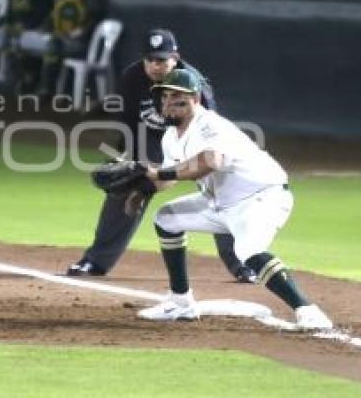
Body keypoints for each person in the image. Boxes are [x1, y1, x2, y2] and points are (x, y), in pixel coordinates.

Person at [134, 69, 333, 330]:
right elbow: (169, 177)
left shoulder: (209, 124)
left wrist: (158, 171)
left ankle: (307, 310)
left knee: (247, 251)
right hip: (219, 204)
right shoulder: (171, 137)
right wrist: (141, 186)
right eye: (165, 97)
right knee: (167, 218)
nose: (168, 102)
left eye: (177, 96)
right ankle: (180, 303)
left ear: (194, 98)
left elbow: (209, 162)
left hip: (261, 197)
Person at [67, 29, 252, 283]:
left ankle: (242, 263)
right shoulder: (132, 77)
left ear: (175, 58)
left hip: (192, 140)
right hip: (152, 139)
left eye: (162, 60)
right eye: (150, 60)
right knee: (126, 185)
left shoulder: (194, 84)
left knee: (219, 192)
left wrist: (183, 168)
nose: (155, 65)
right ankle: (95, 261)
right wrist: (131, 161)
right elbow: (128, 122)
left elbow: (209, 130)